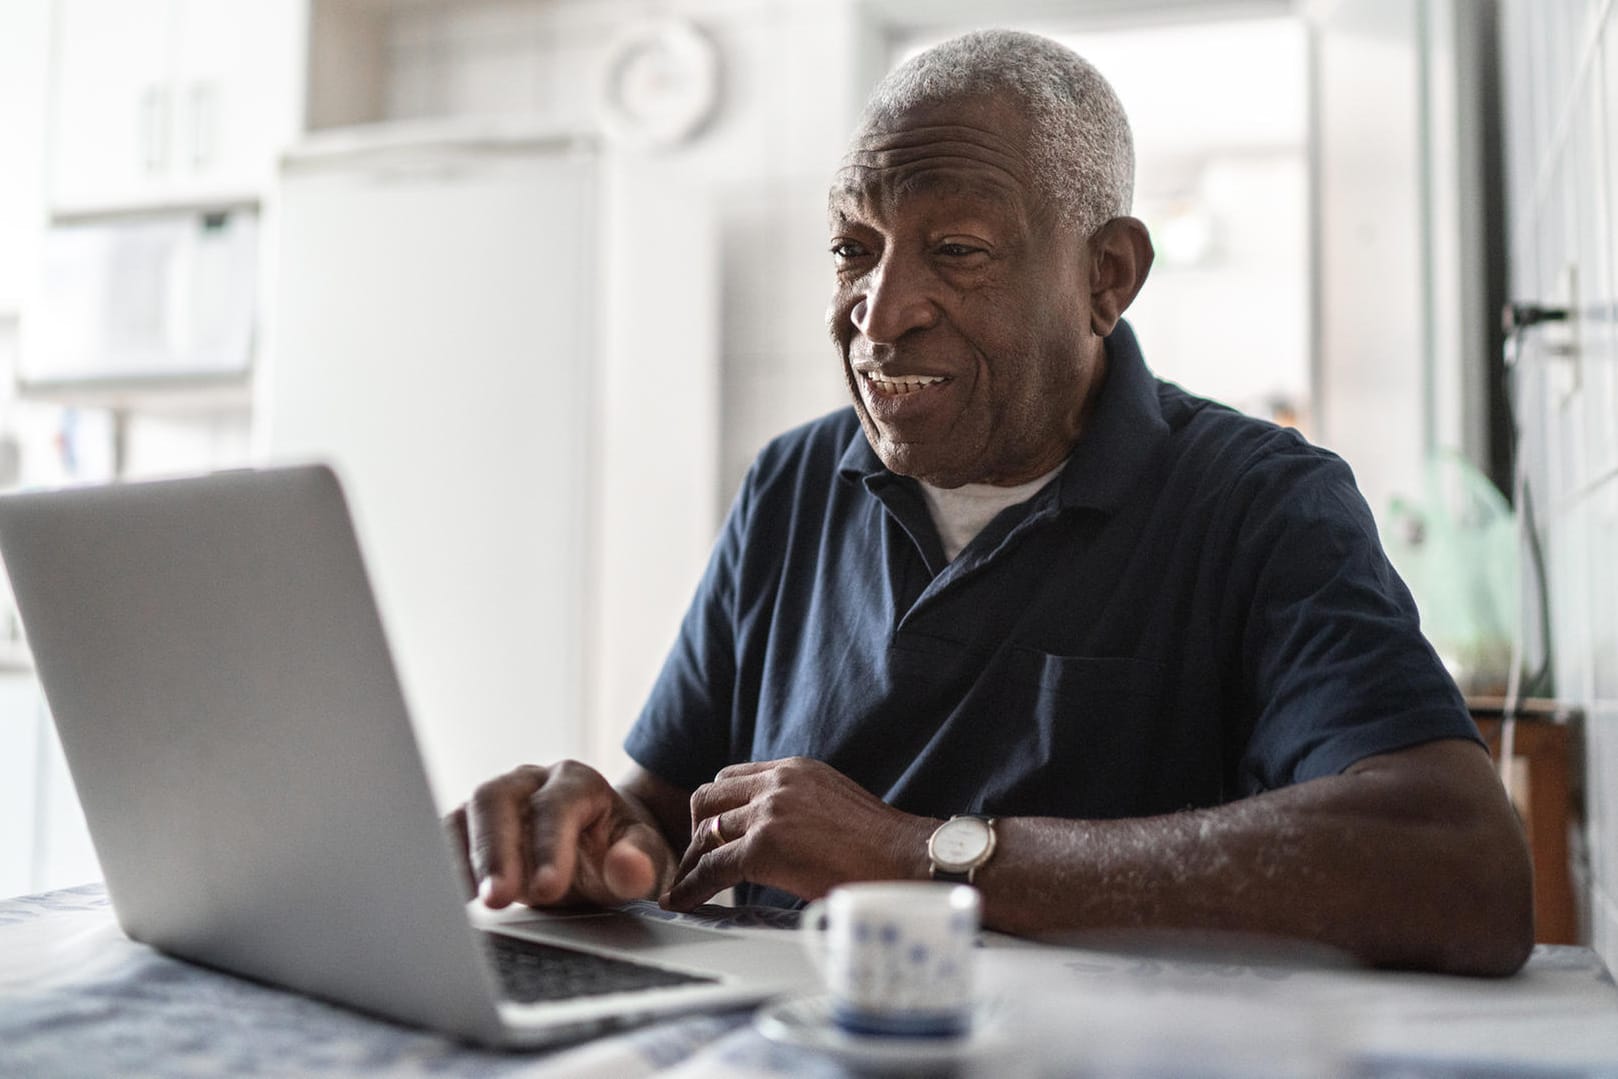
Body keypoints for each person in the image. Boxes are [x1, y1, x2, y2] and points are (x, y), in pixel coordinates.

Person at [447, 29, 1532, 976]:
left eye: (955, 251)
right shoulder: (790, 483)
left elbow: (1460, 864)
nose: (880, 312)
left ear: (1107, 276)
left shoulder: (1260, 504)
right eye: (852, 249)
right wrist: (591, 841)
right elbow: (667, 816)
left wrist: (923, 854)